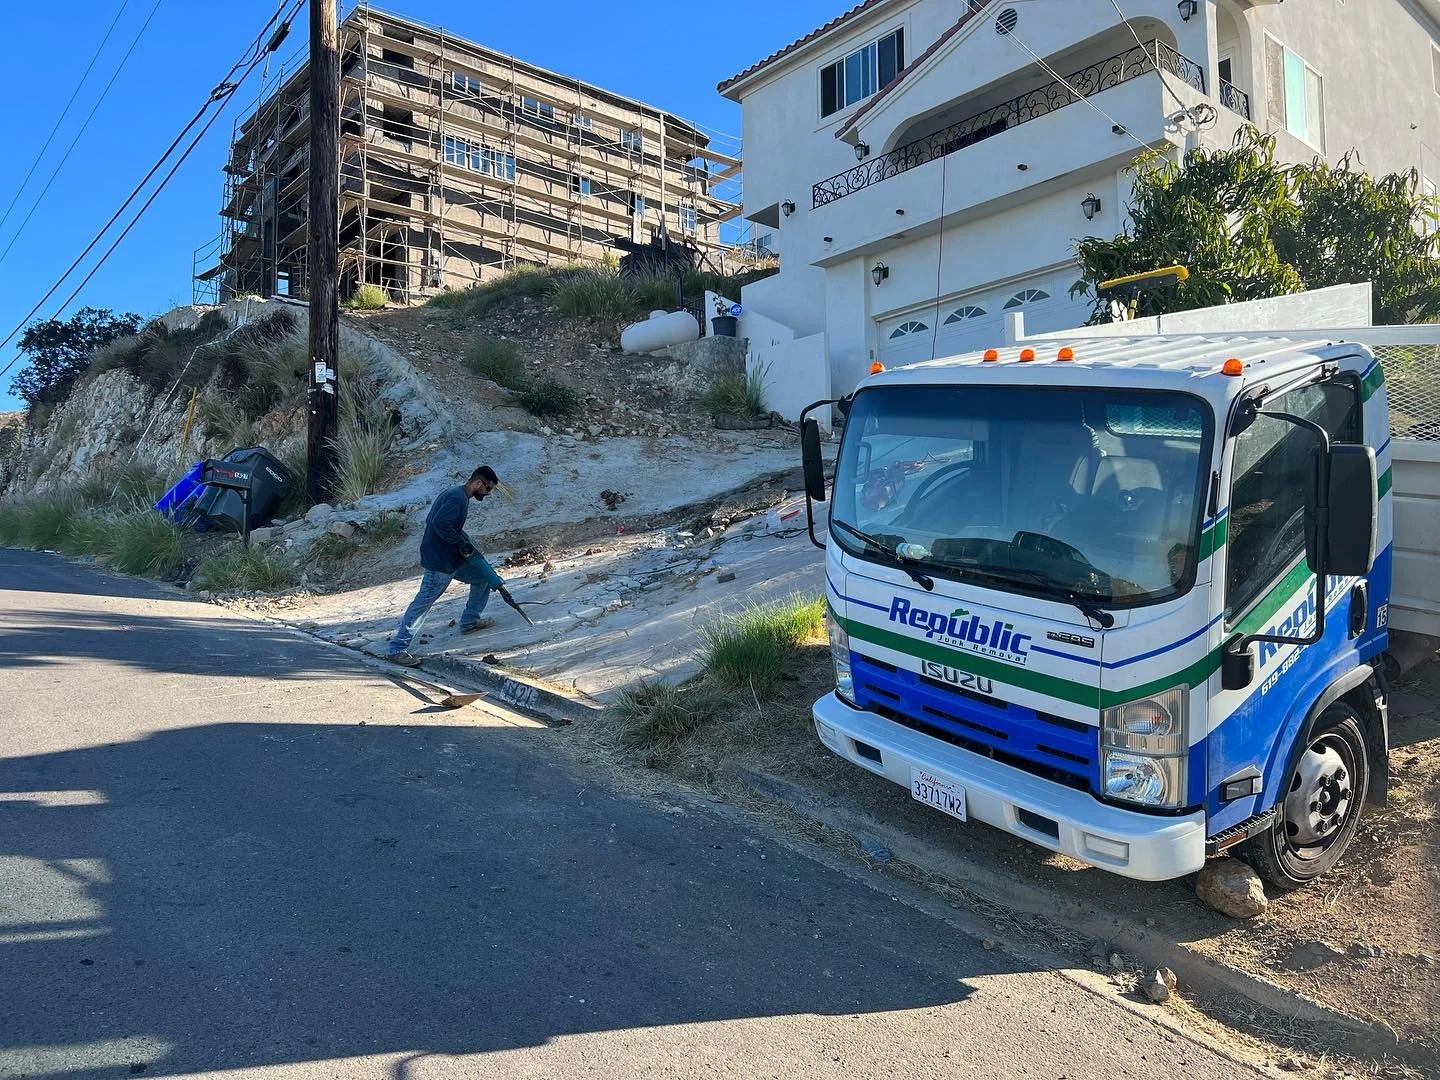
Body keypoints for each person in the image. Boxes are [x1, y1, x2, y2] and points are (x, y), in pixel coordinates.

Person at [387, 465, 499, 667]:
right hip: (439, 561)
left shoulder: (456, 494)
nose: (487, 493)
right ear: (478, 483)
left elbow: (438, 521)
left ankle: (470, 621)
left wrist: (464, 540)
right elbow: (439, 523)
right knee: (423, 603)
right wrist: (460, 542)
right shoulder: (457, 497)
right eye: (488, 488)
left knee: (482, 578)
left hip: (452, 559)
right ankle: (397, 649)